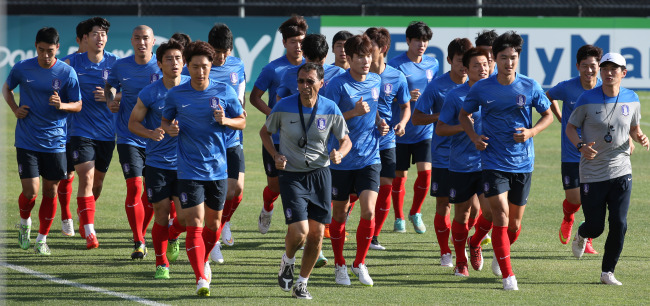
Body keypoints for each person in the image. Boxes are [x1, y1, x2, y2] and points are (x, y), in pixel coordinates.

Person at [459, 31, 554, 290]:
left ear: (518, 58)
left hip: (523, 162)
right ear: (495, 59)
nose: (508, 62)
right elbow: (464, 114)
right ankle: (508, 276)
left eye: (512, 58)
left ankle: (478, 242)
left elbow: (548, 115)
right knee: (499, 215)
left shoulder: (530, 86)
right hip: (492, 161)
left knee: (514, 225)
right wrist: (474, 137)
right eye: (503, 58)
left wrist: (531, 132)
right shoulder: (481, 87)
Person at [162, 41, 246, 296]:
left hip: (218, 170)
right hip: (188, 169)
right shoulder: (176, 94)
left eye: (205, 67)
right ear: (188, 66)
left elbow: (242, 121)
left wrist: (226, 120)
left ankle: (204, 257)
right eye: (195, 66)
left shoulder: (224, 90)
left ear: (211, 67)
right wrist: (170, 128)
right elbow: (165, 120)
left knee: (214, 223)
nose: (200, 72)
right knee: (195, 222)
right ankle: (200, 278)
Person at [262, 62, 351, 299]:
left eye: (310, 81)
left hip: (321, 175)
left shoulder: (330, 108)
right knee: (301, 231)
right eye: (301, 81)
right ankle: (288, 260)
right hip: (291, 175)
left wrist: (340, 153)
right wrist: (275, 154)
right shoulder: (283, 105)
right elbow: (265, 132)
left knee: (317, 235)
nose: (304, 86)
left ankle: (302, 283)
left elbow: (346, 139)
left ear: (322, 84)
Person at [568, 52, 649, 285]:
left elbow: (633, 128)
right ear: (601, 72)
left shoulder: (632, 98)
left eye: (615, 68)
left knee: (620, 223)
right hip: (592, 172)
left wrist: (640, 136)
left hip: (622, 169)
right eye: (605, 68)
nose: (609, 72)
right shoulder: (586, 98)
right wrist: (581, 146)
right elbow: (571, 128)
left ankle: (607, 272)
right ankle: (583, 233)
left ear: (624, 73)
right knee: (596, 227)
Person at [3, 27, 82, 255]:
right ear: (35, 47)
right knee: (30, 191)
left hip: (56, 142)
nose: (45, 56)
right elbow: (7, 88)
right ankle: (25, 223)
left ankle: (41, 239)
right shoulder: (22, 67)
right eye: (41, 50)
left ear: (58, 48)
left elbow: (78, 104)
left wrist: (62, 105)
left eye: (49, 51)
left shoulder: (67, 73)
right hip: (27, 140)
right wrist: (15, 109)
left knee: (51, 190)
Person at [326, 34, 388, 287]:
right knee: (339, 215)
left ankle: (359, 262)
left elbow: (374, 111)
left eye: (368, 55)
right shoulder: (337, 85)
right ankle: (340, 263)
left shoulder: (376, 79)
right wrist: (353, 112)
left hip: (369, 157)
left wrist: (381, 123)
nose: (366, 60)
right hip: (341, 158)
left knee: (369, 210)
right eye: (360, 56)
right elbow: (326, 121)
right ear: (348, 58)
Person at [128, 39, 188, 280]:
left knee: (185, 217)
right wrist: (151, 133)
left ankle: (174, 233)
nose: (174, 63)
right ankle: (161, 263)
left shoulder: (194, 88)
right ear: (159, 63)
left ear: (184, 62)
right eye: (168, 59)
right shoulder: (150, 92)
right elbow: (133, 123)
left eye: (178, 58)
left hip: (188, 164)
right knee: (161, 212)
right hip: (158, 164)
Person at [412, 38, 472, 267]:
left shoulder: (479, 85)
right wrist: (442, 116)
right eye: (459, 61)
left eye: (468, 62)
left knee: (474, 208)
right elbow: (417, 118)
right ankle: (446, 251)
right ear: (449, 61)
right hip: (444, 156)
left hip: (472, 156)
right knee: (444, 205)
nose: (464, 66)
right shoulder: (437, 86)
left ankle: (469, 243)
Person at [191, 23, 247, 264]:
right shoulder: (202, 68)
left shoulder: (238, 66)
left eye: (224, 51)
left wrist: (234, 116)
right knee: (213, 195)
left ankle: (223, 224)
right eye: (216, 51)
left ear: (230, 48)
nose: (220, 56)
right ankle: (212, 242)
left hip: (233, 136)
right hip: (208, 141)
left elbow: (242, 98)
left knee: (237, 191)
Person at [105, 25, 162, 259]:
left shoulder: (162, 65)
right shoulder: (121, 66)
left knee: (150, 195)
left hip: (157, 139)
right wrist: (110, 100)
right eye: (137, 38)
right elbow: (110, 86)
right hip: (128, 135)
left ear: (153, 41)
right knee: (134, 187)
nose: (141, 42)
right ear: (131, 40)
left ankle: (143, 234)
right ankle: (138, 240)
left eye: (145, 38)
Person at [435, 47, 492, 276]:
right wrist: (464, 126)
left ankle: (475, 241)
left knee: (490, 212)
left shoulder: (496, 92)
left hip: (489, 163)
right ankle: (460, 261)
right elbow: (440, 129)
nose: (483, 68)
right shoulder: (455, 96)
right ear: (466, 70)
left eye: (486, 64)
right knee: (462, 214)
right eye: (477, 65)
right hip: (461, 164)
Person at [64, 17, 119, 249]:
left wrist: (111, 96)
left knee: (96, 185)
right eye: (96, 33)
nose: (100, 38)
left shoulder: (115, 64)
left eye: (104, 34)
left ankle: (82, 211)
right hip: (79, 130)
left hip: (107, 134)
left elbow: (129, 95)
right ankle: (90, 232)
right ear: (85, 38)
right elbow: (51, 78)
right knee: (84, 177)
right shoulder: (71, 62)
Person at [250, 15, 307, 234]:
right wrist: (273, 114)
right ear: (284, 43)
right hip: (275, 138)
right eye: (293, 41)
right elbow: (255, 97)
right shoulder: (273, 69)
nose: (298, 45)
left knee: (300, 187)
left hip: (303, 139)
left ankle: (300, 231)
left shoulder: (311, 68)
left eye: (301, 41)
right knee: (275, 187)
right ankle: (267, 207)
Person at [547, 45, 605, 254]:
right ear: (577, 67)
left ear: (599, 67)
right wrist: (559, 115)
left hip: (597, 155)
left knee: (592, 199)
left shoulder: (604, 88)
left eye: (593, 66)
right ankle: (568, 216)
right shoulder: (567, 87)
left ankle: (586, 236)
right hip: (571, 153)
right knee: (575, 199)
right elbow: (548, 95)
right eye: (585, 66)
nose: (589, 70)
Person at [387, 21, 439, 234]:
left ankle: (415, 212)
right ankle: (399, 217)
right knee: (399, 177)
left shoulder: (433, 64)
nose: (422, 44)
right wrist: (405, 97)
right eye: (417, 40)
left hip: (424, 129)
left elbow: (436, 92)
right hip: (400, 131)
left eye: (425, 40)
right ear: (408, 41)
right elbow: (386, 97)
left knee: (426, 174)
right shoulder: (396, 65)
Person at [364, 27, 410, 251]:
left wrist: (402, 123)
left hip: (387, 141)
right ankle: (335, 229)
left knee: (386, 186)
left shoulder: (396, 76)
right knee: (353, 193)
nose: (364, 52)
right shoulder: (359, 75)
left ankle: (373, 237)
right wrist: (375, 119)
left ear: (382, 49)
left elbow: (406, 106)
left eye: (369, 47)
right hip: (361, 141)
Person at [57, 19, 89, 237]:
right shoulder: (67, 65)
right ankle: (67, 216)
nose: (95, 40)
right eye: (88, 37)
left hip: (95, 131)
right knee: (67, 175)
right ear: (79, 40)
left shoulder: (107, 63)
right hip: (70, 130)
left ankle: (83, 212)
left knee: (93, 182)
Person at [276, 33, 345, 100]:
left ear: (326, 55)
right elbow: (280, 97)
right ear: (304, 55)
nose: (315, 67)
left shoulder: (339, 73)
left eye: (319, 62)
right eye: (311, 62)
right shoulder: (290, 74)